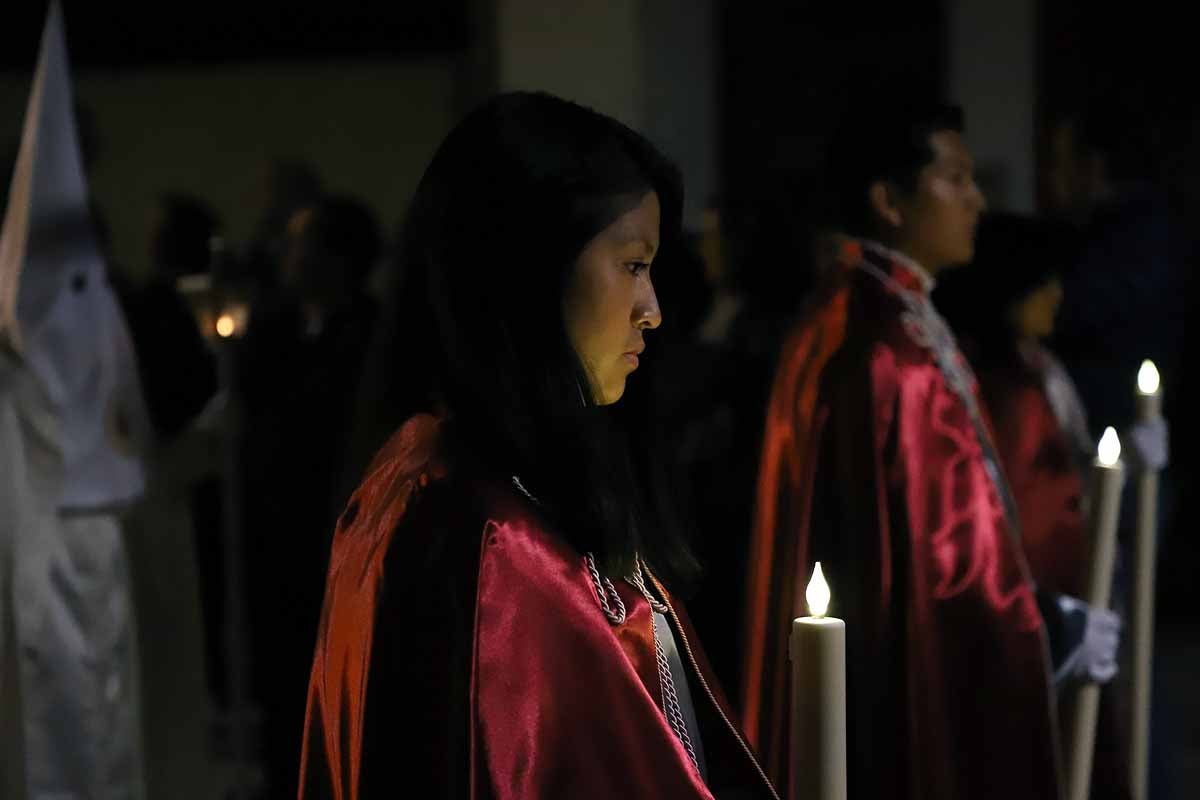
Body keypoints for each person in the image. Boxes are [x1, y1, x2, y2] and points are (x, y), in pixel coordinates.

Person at [298, 92, 779, 799]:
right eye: (632, 265)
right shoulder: (486, 535)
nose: (653, 311)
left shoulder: (510, 483)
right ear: (532, 268)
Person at [741, 103, 1082, 799]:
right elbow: (946, 561)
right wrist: (1043, 624)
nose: (977, 199)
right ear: (888, 200)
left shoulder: (862, 313)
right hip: (898, 664)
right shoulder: (893, 349)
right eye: (955, 178)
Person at [935, 212, 1170, 800]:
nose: (1057, 295)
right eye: (1043, 283)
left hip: (1076, 580)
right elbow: (1020, 503)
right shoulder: (1002, 389)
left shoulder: (1040, 366)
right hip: (1041, 595)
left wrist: (1123, 468)